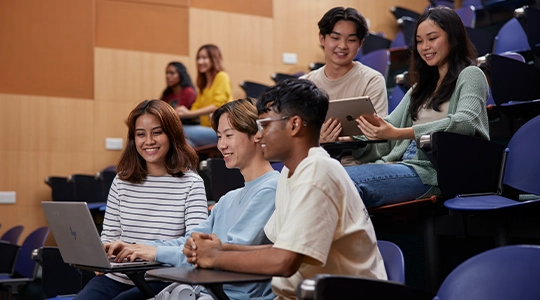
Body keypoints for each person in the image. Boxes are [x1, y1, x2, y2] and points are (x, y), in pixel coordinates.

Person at [184, 79, 387, 300]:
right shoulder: (290, 174)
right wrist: (221, 248)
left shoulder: (318, 171)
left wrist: (214, 257)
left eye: (266, 125)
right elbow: (277, 250)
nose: (259, 135)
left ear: (294, 125)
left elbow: (284, 261)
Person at [105, 98, 280, 300]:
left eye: (229, 135)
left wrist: (154, 253)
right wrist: (139, 248)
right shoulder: (229, 199)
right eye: (219, 136)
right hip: (201, 291)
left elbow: (223, 255)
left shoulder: (271, 189)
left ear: (257, 134)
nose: (221, 145)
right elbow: (190, 241)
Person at [344, 6, 490, 208]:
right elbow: (388, 127)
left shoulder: (471, 74)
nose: (424, 47)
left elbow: (465, 123)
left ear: (453, 37)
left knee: (342, 181)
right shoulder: (418, 89)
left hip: (437, 171)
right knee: (329, 176)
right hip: (405, 164)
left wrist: (399, 133)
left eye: (432, 38)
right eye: (419, 41)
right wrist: (347, 138)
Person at [74, 100, 208, 300]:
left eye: (157, 132)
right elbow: (109, 234)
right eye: (140, 134)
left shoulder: (192, 183)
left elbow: (193, 246)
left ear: (172, 135)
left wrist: (147, 251)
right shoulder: (121, 180)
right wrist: (102, 254)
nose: (148, 141)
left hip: (163, 279)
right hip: (117, 277)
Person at [300, 7, 389, 143]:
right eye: (335, 38)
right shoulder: (305, 84)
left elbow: (379, 137)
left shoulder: (372, 80)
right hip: (312, 160)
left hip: (356, 162)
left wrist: (338, 141)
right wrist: (320, 141)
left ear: (360, 43)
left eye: (351, 40)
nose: (342, 46)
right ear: (322, 38)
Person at [175, 44, 233, 148]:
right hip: (206, 129)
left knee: (179, 130)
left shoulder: (222, 76)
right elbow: (196, 107)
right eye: (198, 58)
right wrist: (179, 112)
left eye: (204, 58)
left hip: (221, 131)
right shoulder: (204, 85)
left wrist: (188, 113)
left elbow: (218, 106)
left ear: (213, 59)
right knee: (184, 144)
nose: (199, 62)